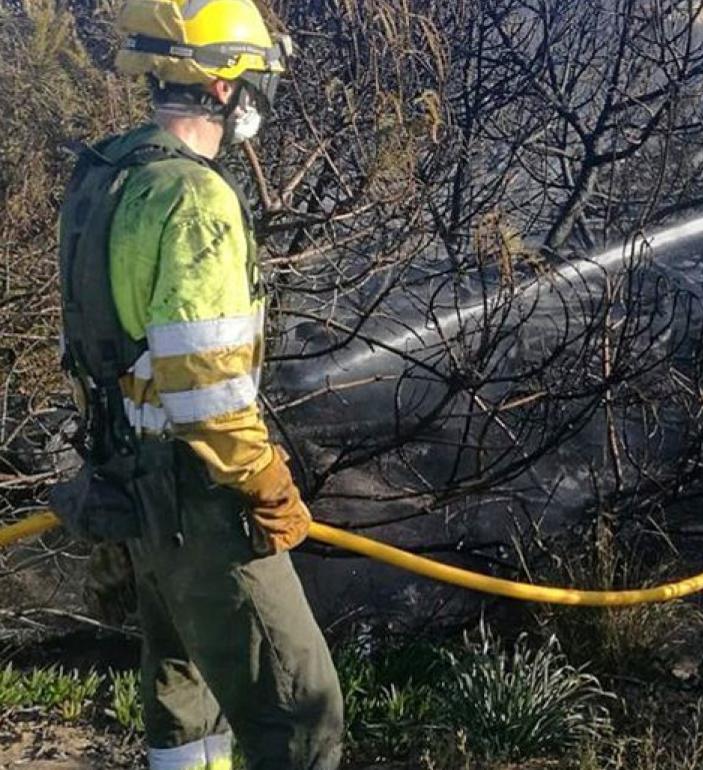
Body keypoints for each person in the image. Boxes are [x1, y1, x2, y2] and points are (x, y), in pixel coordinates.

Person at [54, 1, 342, 767]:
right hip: (201, 495)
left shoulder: (108, 176)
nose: (259, 103)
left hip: (130, 482)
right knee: (301, 713)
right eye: (254, 83)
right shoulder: (194, 197)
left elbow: (93, 345)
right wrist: (266, 481)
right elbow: (207, 390)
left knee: (187, 699)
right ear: (222, 88)